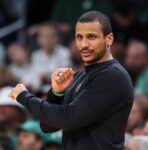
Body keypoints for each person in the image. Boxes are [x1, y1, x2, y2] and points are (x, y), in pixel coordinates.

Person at [9, 11, 134, 150]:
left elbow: (68, 119)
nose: (84, 44)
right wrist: (56, 94)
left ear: (109, 39)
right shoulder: (79, 76)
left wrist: (25, 97)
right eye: (79, 37)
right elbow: (48, 125)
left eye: (91, 37)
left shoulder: (112, 76)